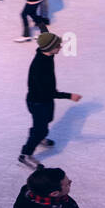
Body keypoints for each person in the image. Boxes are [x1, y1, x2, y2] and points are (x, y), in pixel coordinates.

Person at [19, 31, 82, 167]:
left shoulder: (46, 53)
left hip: (44, 100)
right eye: (58, 45)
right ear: (49, 48)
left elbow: (45, 35)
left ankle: (38, 137)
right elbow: (48, 92)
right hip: (38, 101)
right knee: (40, 129)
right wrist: (69, 96)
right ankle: (25, 155)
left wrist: (44, 29)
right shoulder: (40, 67)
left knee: (47, 120)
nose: (60, 47)